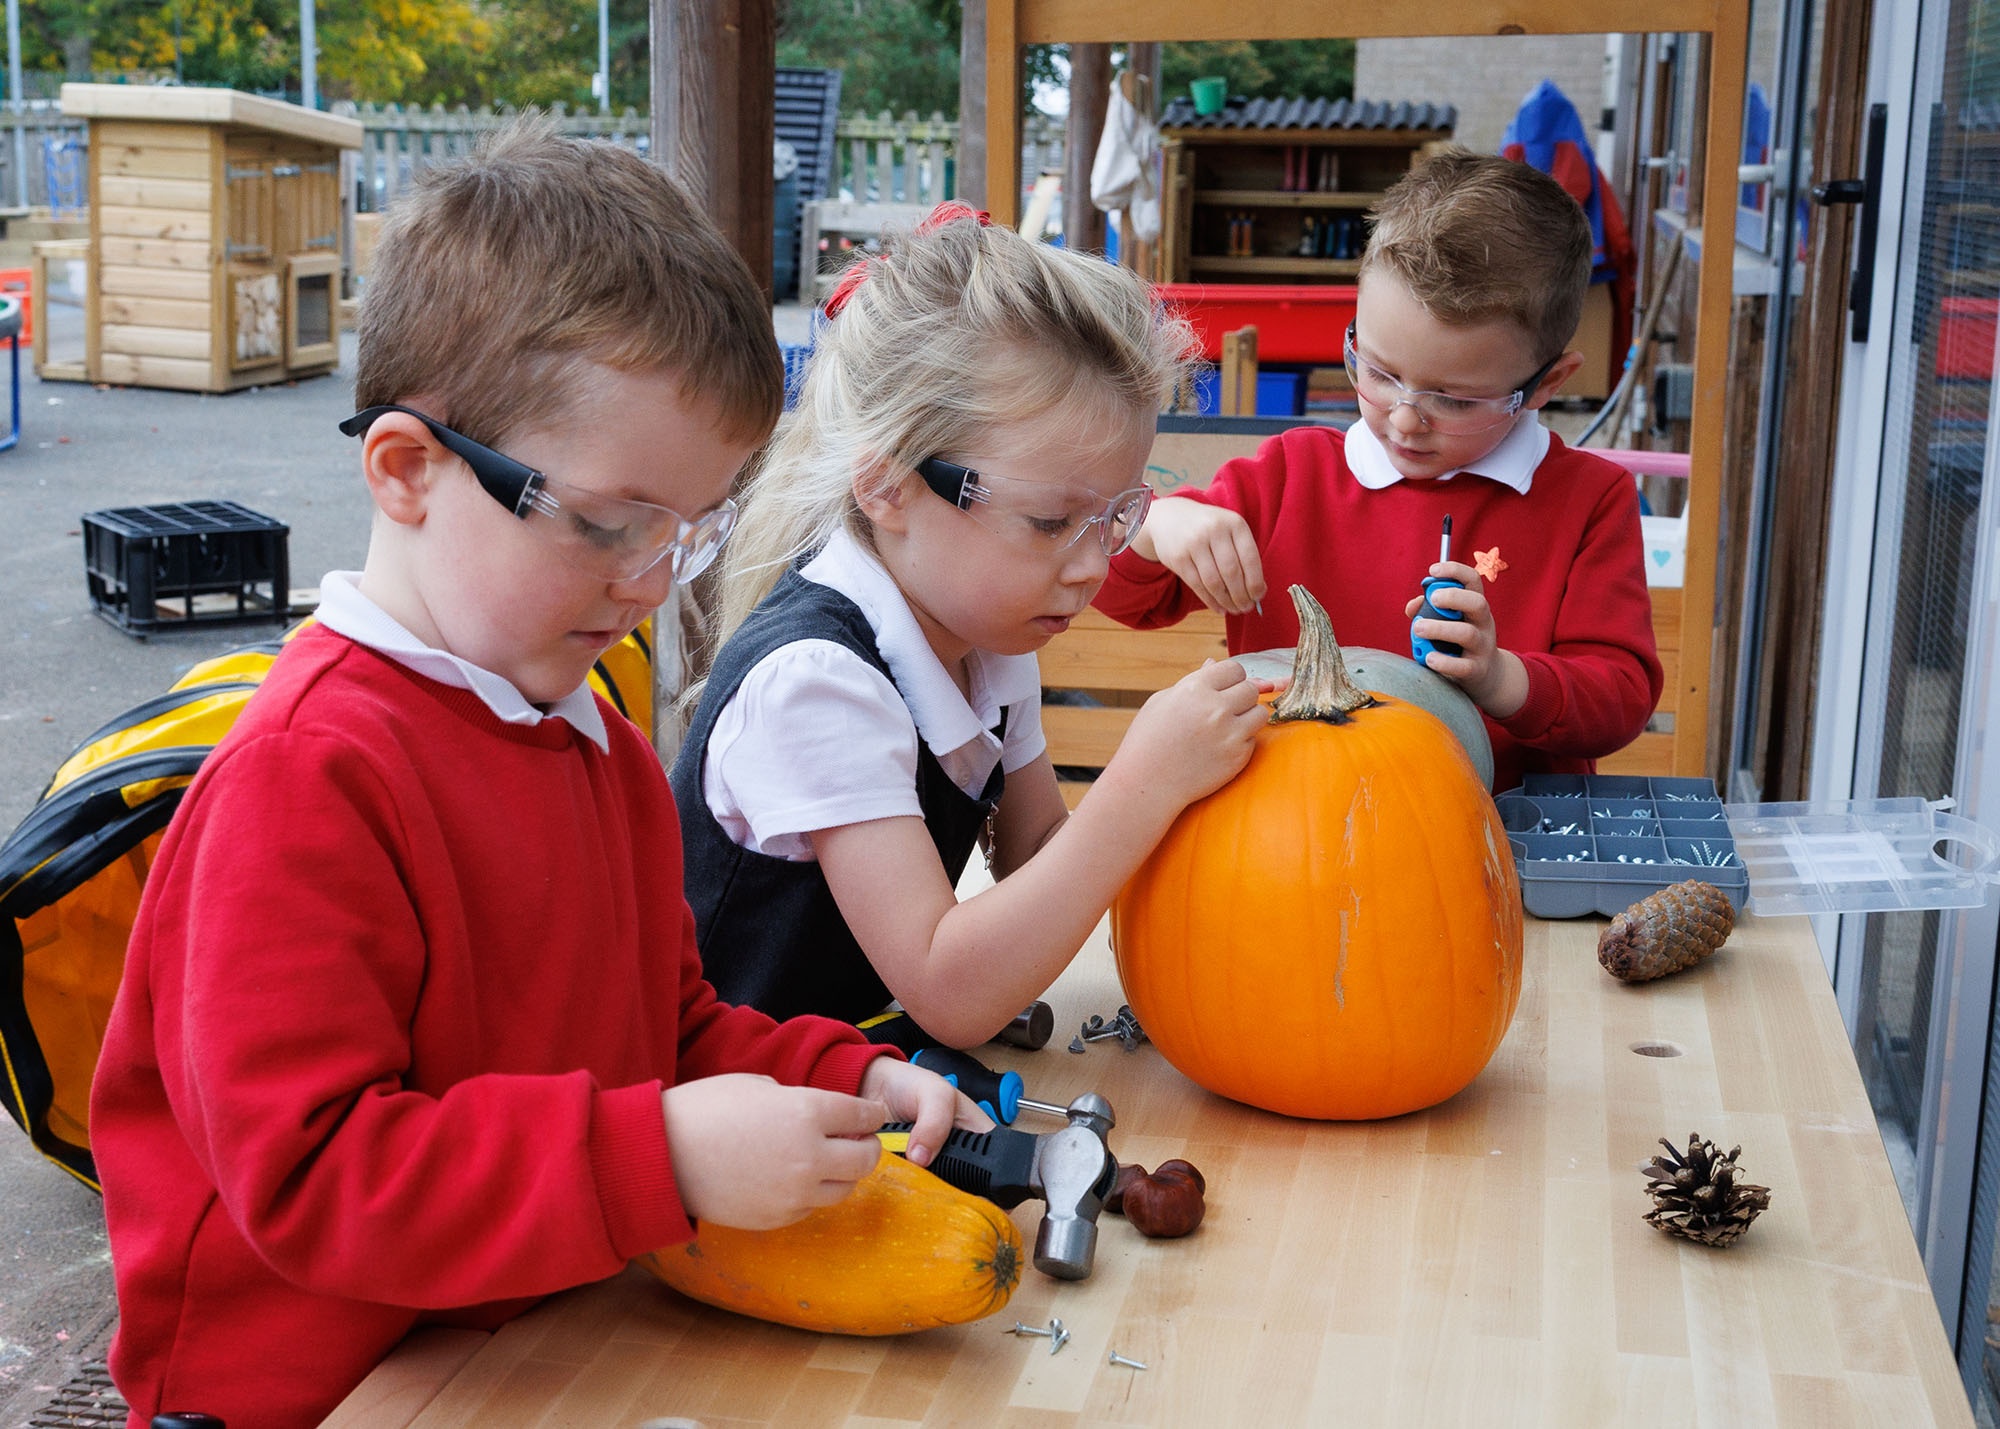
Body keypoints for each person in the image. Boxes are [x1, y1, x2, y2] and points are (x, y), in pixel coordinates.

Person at [89, 121, 975, 1429]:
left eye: (692, 529)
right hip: (308, 1395)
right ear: (407, 469)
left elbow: (661, 1029)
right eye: (610, 524)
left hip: (543, 1332)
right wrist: (659, 1156)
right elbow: (314, 1180)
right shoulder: (305, 780)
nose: (652, 581)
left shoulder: (590, 737)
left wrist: (832, 1072)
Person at [669, 204, 1273, 1050]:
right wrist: (1143, 782)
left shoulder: (987, 637)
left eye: (1115, 516)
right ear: (889, 487)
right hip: (738, 1101)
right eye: (1050, 520)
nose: (1091, 566)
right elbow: (951, 987)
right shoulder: (817, 681)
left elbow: (1037, 854)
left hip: (860, 1070)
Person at [1091, 147, 1664, 795]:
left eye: (1453, 399)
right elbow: (1120, 594)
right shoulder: (1287, 478)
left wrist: (1501, 678)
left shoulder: (1589, 500)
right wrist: (1160, 525)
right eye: (1379, 372)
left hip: (1501, 829)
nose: (1405, 418)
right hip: (1290, 816)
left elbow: (1621, 697)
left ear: (1546, 384)